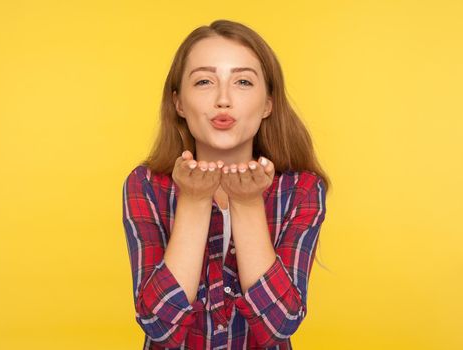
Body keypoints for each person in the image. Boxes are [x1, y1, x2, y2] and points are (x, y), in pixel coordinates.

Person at [122, 19, 330, 349]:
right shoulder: (146, 185)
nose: (223, 99)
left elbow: (280, 325)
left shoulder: (301, 190)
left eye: (243, 82)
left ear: (267, 104)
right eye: (204, 81)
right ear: (178, 102)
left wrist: (247, 204)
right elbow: (158, 326)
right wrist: (194, 200)